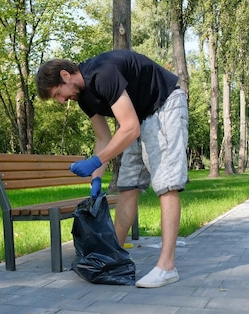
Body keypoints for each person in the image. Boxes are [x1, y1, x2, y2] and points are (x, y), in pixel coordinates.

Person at [35, 50, 188, 288]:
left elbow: (129, 129)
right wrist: (96, 179)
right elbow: (103, 138)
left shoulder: (102, 73)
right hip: (140, 116)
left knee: (166, 183)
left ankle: (167, 267)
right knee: (127, 186)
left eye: (58, 94)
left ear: (65, 75)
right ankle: (112, 260)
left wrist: (95, 162)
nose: (61, 101)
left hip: (164, 104)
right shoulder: (84, 97)